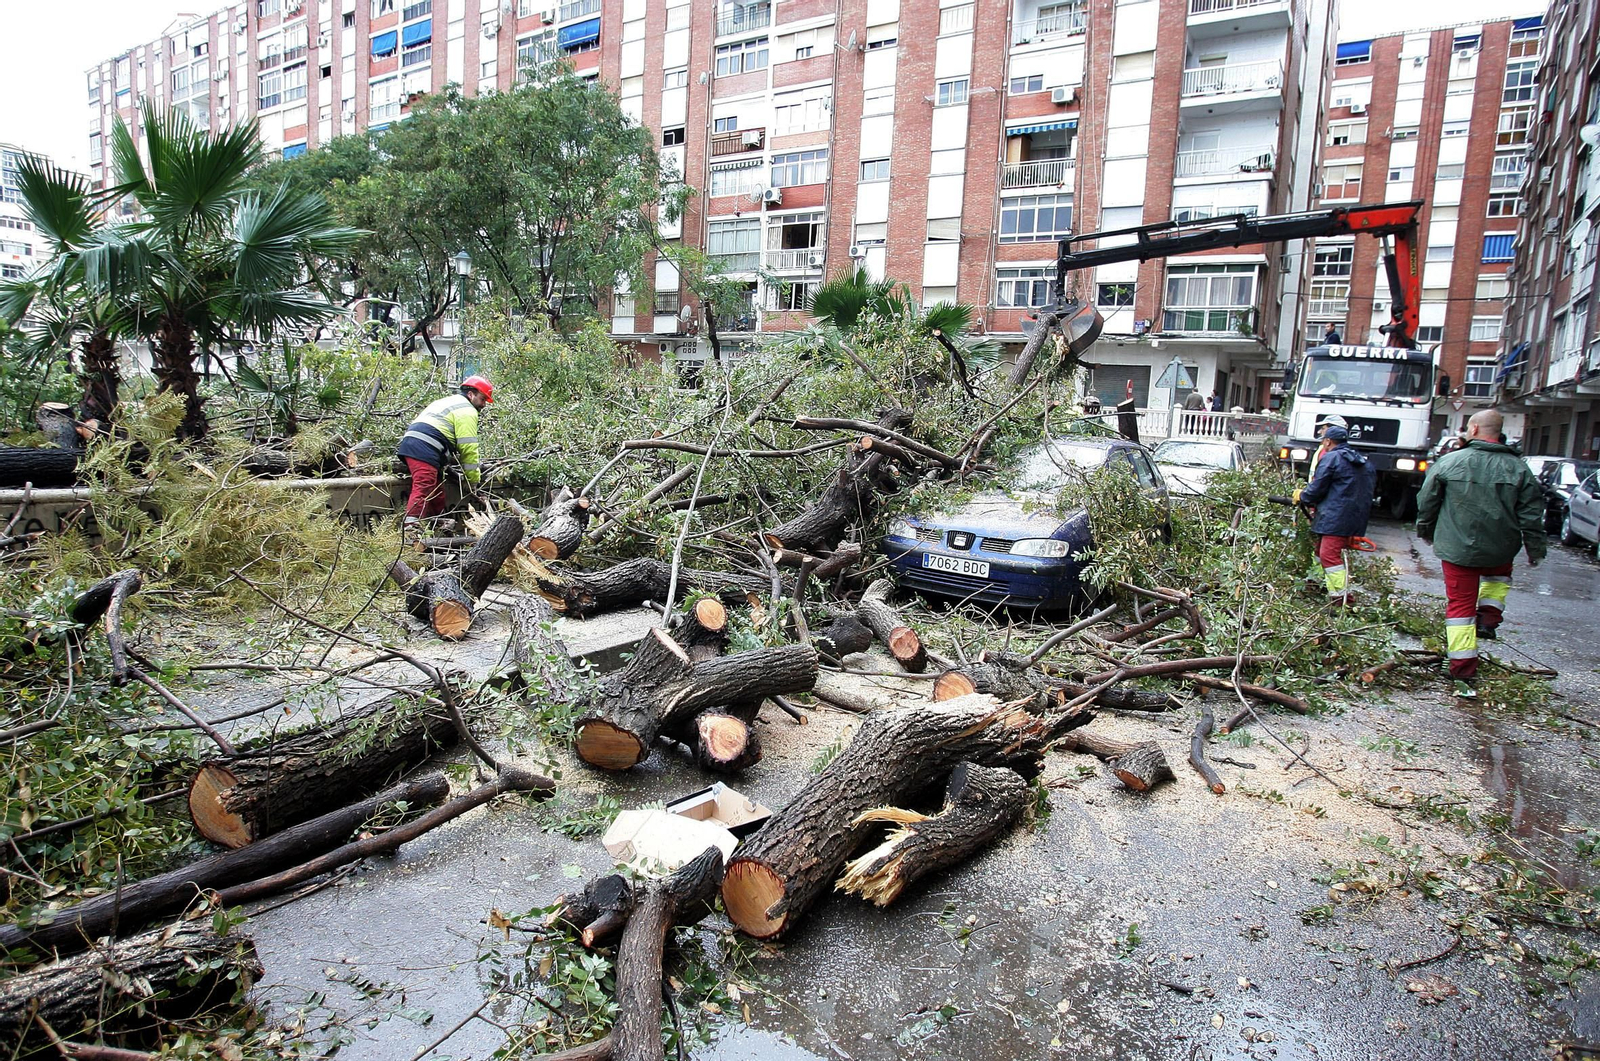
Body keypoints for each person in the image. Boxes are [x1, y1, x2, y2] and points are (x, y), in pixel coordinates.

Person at [1415, 409, 1546, 698]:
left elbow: (1426, 501)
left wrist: (1425, 530)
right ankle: (1488, 620)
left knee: (1460, 607)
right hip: (1501, 547)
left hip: (1458, 549)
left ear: (1473, 429)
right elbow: (1532, 514)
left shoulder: (1450, 462)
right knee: (1497, 580)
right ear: (1499, 433)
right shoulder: (1519, 469)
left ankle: (1462, 669)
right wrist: (1535, 549)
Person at [397, 375, 494, 537]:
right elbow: (468, 447)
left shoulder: (449, 401)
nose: (484, 404)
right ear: (471, 394)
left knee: (436, 490)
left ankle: (439, 524)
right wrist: (472, 480)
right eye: (483, 399)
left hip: (417, 444)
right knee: (424, 485)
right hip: (424, 447)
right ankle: (411, 529)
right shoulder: (467, 410)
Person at [1295, 419, 1374, 607]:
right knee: (1319, 550)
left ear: (1329, 441)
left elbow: (1318, 487)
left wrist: (1303, 495)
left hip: (1335, 516)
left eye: (1324, 440)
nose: (1323, 443)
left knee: (1329, 554)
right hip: (1351, 515)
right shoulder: (1360, 460)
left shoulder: (1331, 458)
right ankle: (1315, 582)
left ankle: (1341, 599)